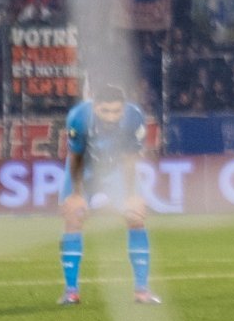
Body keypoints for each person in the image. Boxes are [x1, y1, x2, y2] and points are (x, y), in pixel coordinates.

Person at [57, 83, 161, 306]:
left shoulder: (134, 117)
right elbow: (76, 157)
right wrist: (76, 194)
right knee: (73, 217)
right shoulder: (78, 117)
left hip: (115, 169)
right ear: (95, 106)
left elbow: (130, 158)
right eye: (105, 111)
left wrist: (131, 195)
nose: (111, 117)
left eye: (116, 111)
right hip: (85, 169)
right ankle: (71, 292)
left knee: (135, 216)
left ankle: (142, 291)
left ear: (123, 108)